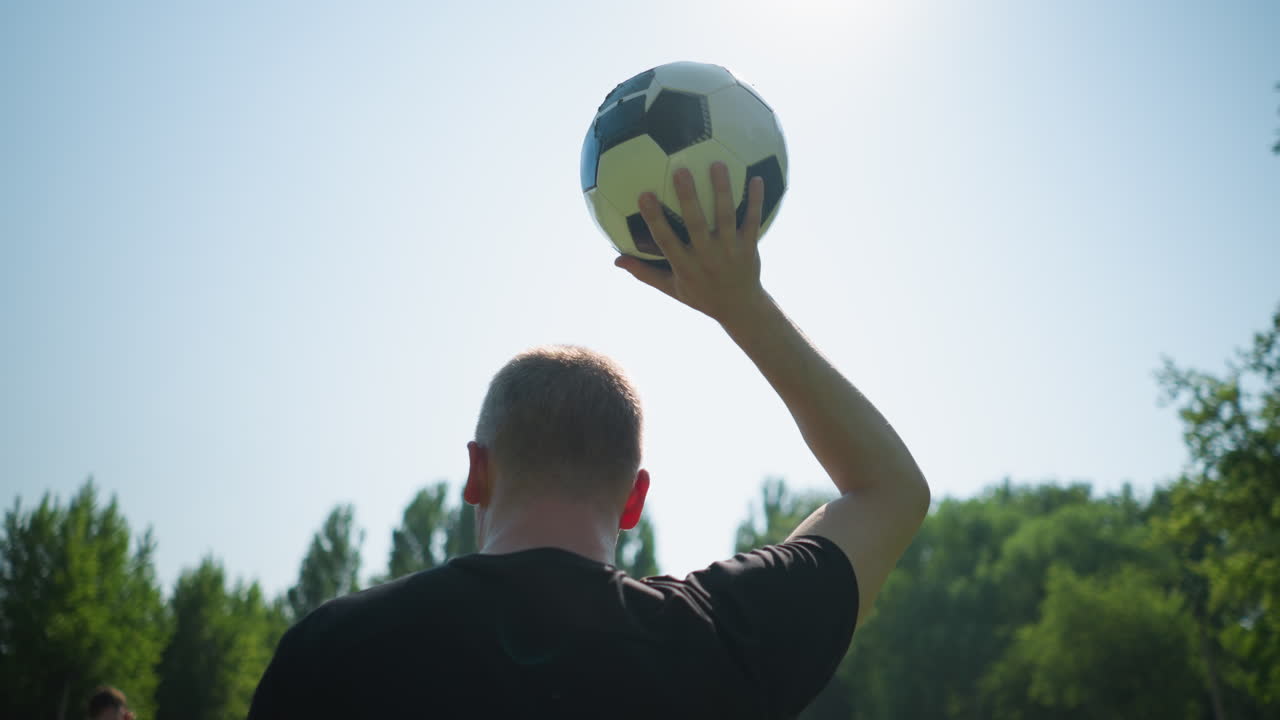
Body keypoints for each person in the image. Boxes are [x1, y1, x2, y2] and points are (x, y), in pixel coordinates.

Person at [248, 164, 930, 718]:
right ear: (635, 500)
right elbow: (890, 491)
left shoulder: (333, 651)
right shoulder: (718, 641)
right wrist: (740, 303)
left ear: (475, 474)